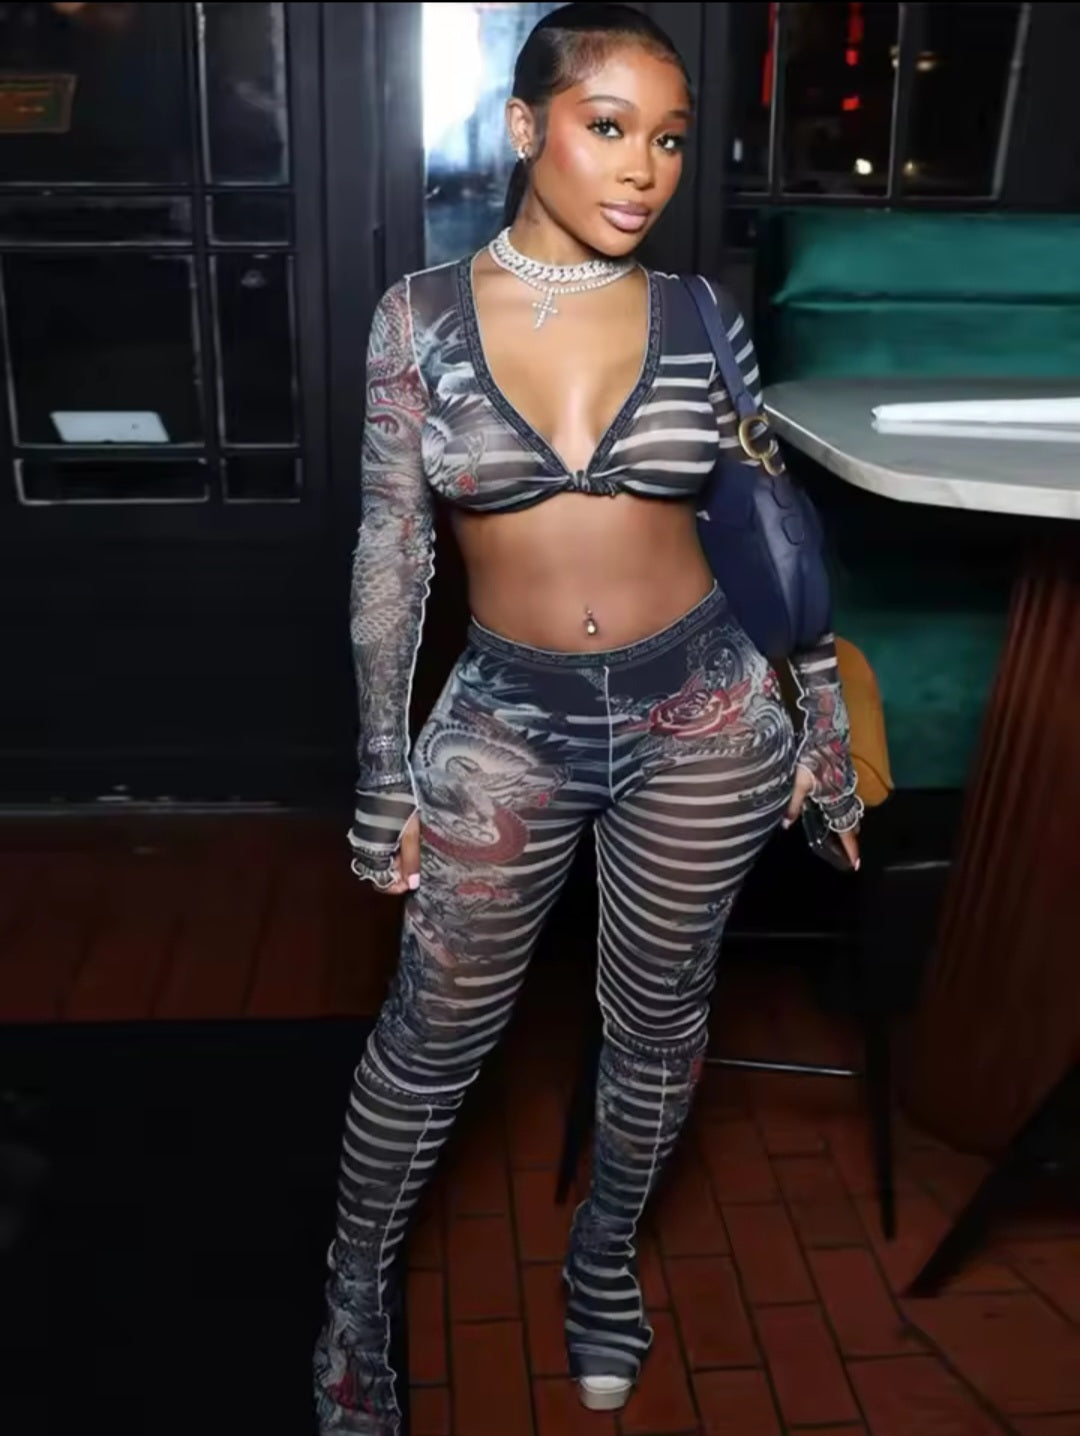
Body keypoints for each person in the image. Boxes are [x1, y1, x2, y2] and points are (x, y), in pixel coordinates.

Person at [314, 5, 861, 1432]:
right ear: (523, 127)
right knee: (432, 1033)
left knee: (659, 1020)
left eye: (668, 140)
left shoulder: (698, 313)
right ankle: (352, 1300)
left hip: (705, 713)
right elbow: (393, 553)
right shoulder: (419, 316)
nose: (643, 169)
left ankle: (603, 1262)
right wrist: (381, 773)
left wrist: (822, 726)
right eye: (607, 127)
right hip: (509, 723)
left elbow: (772, 527)